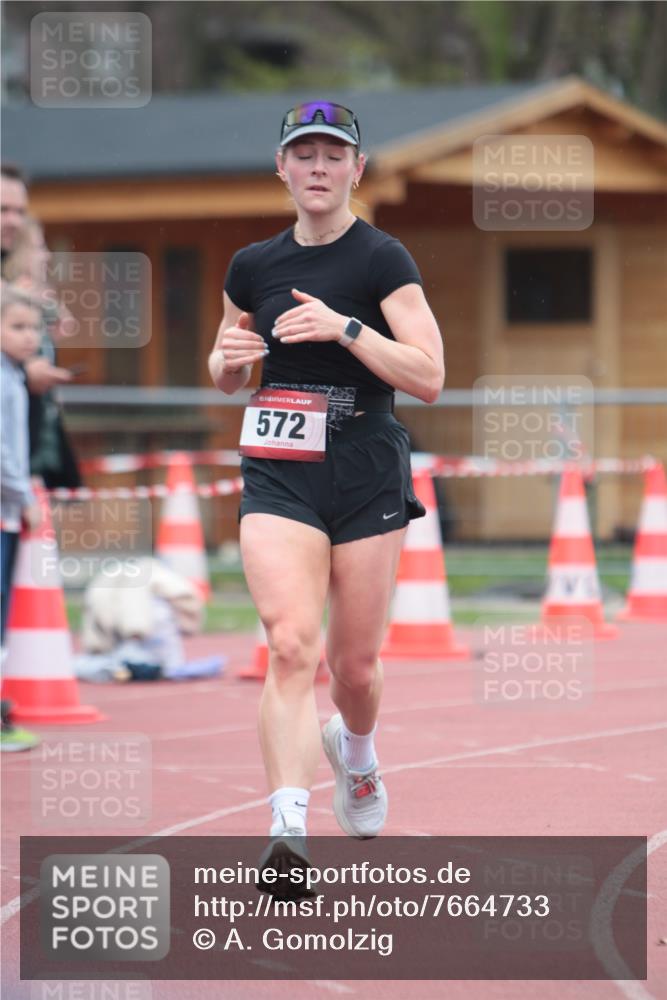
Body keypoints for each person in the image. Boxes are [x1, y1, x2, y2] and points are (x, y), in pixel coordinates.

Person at [208, 102, 444, 876]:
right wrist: (229, 362)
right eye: (302, 154)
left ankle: (359, 750)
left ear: (356, 170)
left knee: (355, 669)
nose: (317, 168)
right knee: (288, 646)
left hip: (364, 461)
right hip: (280, 465)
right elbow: (223, 367)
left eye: (332, 155)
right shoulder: (252, 265)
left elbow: (430, 377)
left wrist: (347, 329)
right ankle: (287, 827)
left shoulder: (382, 259)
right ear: (280, 168)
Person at [0, 165, 80, 490]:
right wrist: (25, 370)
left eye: (20, 210)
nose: (14, 220)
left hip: (22, 452)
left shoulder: (24, 292)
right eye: (3, 210)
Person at [1, 283, 42, 751]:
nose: (29, 337)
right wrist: (23, 494)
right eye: (17, 327)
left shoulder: (14, 376)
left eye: (34, 327)